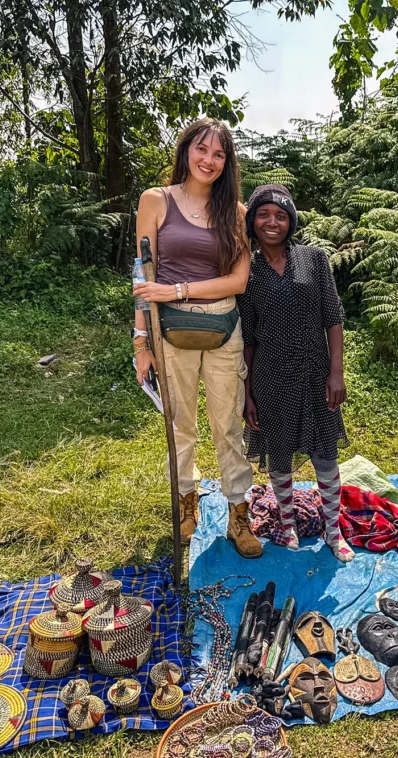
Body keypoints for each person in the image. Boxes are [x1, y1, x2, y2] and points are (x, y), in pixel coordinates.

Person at [132, 118, 261, 559]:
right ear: (186, 150)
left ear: (228, 162)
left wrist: (178, 290)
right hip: (170, 332)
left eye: (219, 154)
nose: (209, 160)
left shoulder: (236, 213)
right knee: (180, 425)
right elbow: (142, 275)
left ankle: (238, 513)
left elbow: (239, 281)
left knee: (228, 426)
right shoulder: (156, 200)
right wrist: (140, 343)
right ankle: (186, 503)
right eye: (201, 149)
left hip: (223, 328)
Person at [237, 184, 355, 562]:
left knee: (326, 454)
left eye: (281, 216)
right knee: (279, 452)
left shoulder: (313, 259)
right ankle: (287, 524)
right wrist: (247, 394)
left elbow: (333, 318)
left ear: (291, 222)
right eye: (263, 215)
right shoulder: (247, 272)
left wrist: (336, 372)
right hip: (270, 376)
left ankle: (333, 531)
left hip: (316, 372)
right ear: (252, 222)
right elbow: (248, 338)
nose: (272, 222)